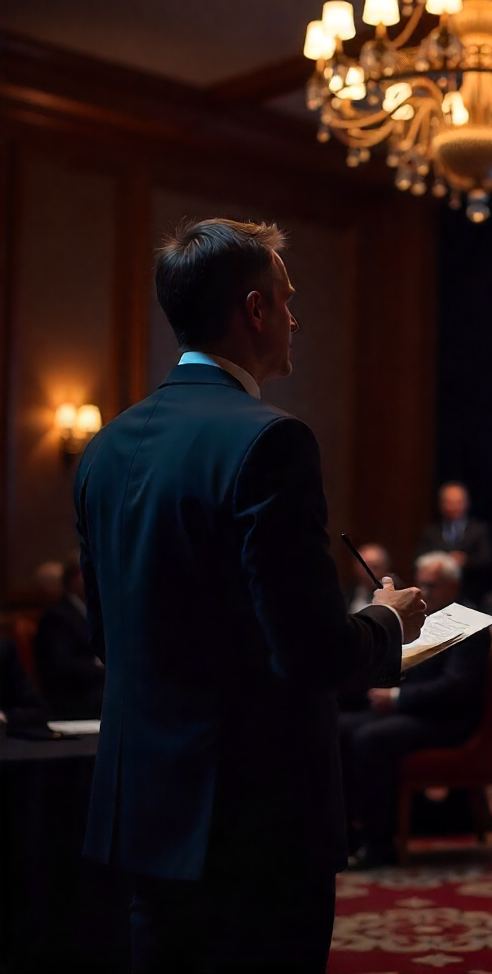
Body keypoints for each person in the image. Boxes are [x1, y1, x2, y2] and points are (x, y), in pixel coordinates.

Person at [73, 219, 426, 974]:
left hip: (143, 811)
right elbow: (311, 655)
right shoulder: (271, 441)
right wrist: (384, 621)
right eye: (289, 300)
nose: (298, 318)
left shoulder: (103, 449)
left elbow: (107, 637)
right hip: (255, 818)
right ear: (255, 309)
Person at [338, 551, 491, 868]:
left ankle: (379, 844)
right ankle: (346, 836)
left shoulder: (469, 621)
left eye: (432, 586)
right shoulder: (425, 618)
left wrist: (395, 698)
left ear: (453, 585)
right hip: (415, 712)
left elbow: (456, 689)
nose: (423, 593)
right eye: (420, 584)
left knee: (370, 738)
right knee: (338, 727)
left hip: (449, 721)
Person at [32, 553, 105, 719]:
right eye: (89, 571)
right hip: (74, 698)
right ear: (73, 579)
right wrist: (106, 669)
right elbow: (62, 667)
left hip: (98, 688)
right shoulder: (57, 616)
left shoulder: (95, 612)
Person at [416, 482, 492, 598]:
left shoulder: (478, 530)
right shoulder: (431, 531)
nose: (453, 507)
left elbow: (487, 559)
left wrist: (465, 560)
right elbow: (419, 559)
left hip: (472, 592)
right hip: (437, 593)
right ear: (441, 505)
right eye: (449, 503)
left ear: (466, 503)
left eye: (458, 502)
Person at [347, 542, 396, 614]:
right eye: (364, 567)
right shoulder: (347, 594)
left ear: (386, 567)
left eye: (374, 567)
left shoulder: (396, 597)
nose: (368, 573)